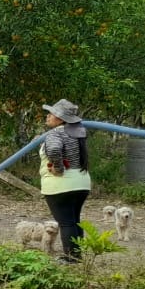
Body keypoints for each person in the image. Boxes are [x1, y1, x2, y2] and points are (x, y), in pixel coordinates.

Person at [39, 99, 91, 263]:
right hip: (81, 182)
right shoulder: (78, 132)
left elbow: (54, 149)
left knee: (66, 223)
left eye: (52, 114)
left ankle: (70, 258)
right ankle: (76, 255)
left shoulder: (56, 133)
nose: (47, 116)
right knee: (74, 221)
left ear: (61, 119)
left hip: (61, 185)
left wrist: (58, 168)